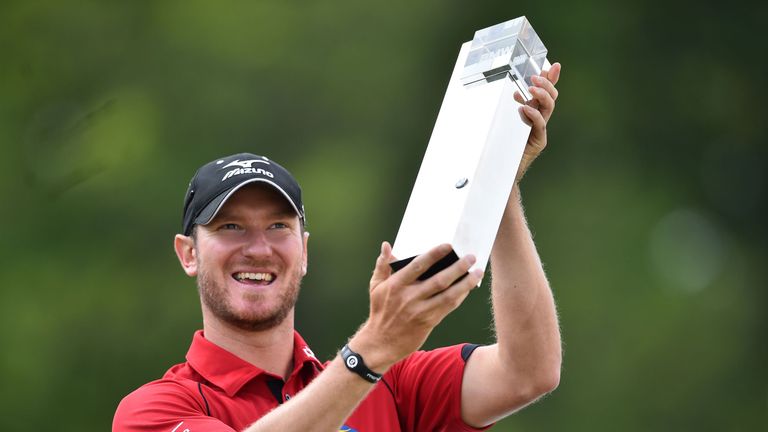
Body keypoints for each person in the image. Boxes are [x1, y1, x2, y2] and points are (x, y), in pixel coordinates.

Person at [113, 63, 563, 432]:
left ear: (304, 252)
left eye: (277, 226)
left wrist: (498, 180)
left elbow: (529, 371)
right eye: (230, 227)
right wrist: (372, 348)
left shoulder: (390, 384)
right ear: (188, 253)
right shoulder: (155, 409)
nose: (258, 248)